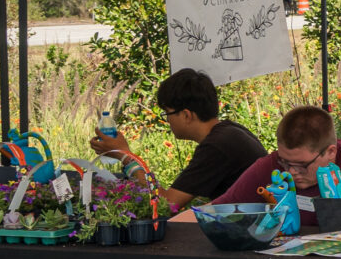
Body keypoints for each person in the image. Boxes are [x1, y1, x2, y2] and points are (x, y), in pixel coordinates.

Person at [92, 68, 266, 212]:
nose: (167, 120)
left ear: (186, 115)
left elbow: (166, 203)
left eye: (167, 113)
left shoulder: (217, 146)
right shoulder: (229, 132)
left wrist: (126, 157)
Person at [218, 103, 341, 204]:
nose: (291, 172)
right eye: (285, 163)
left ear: (330, 152)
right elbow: (216, 210)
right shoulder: (270, 165)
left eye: (302, 165)